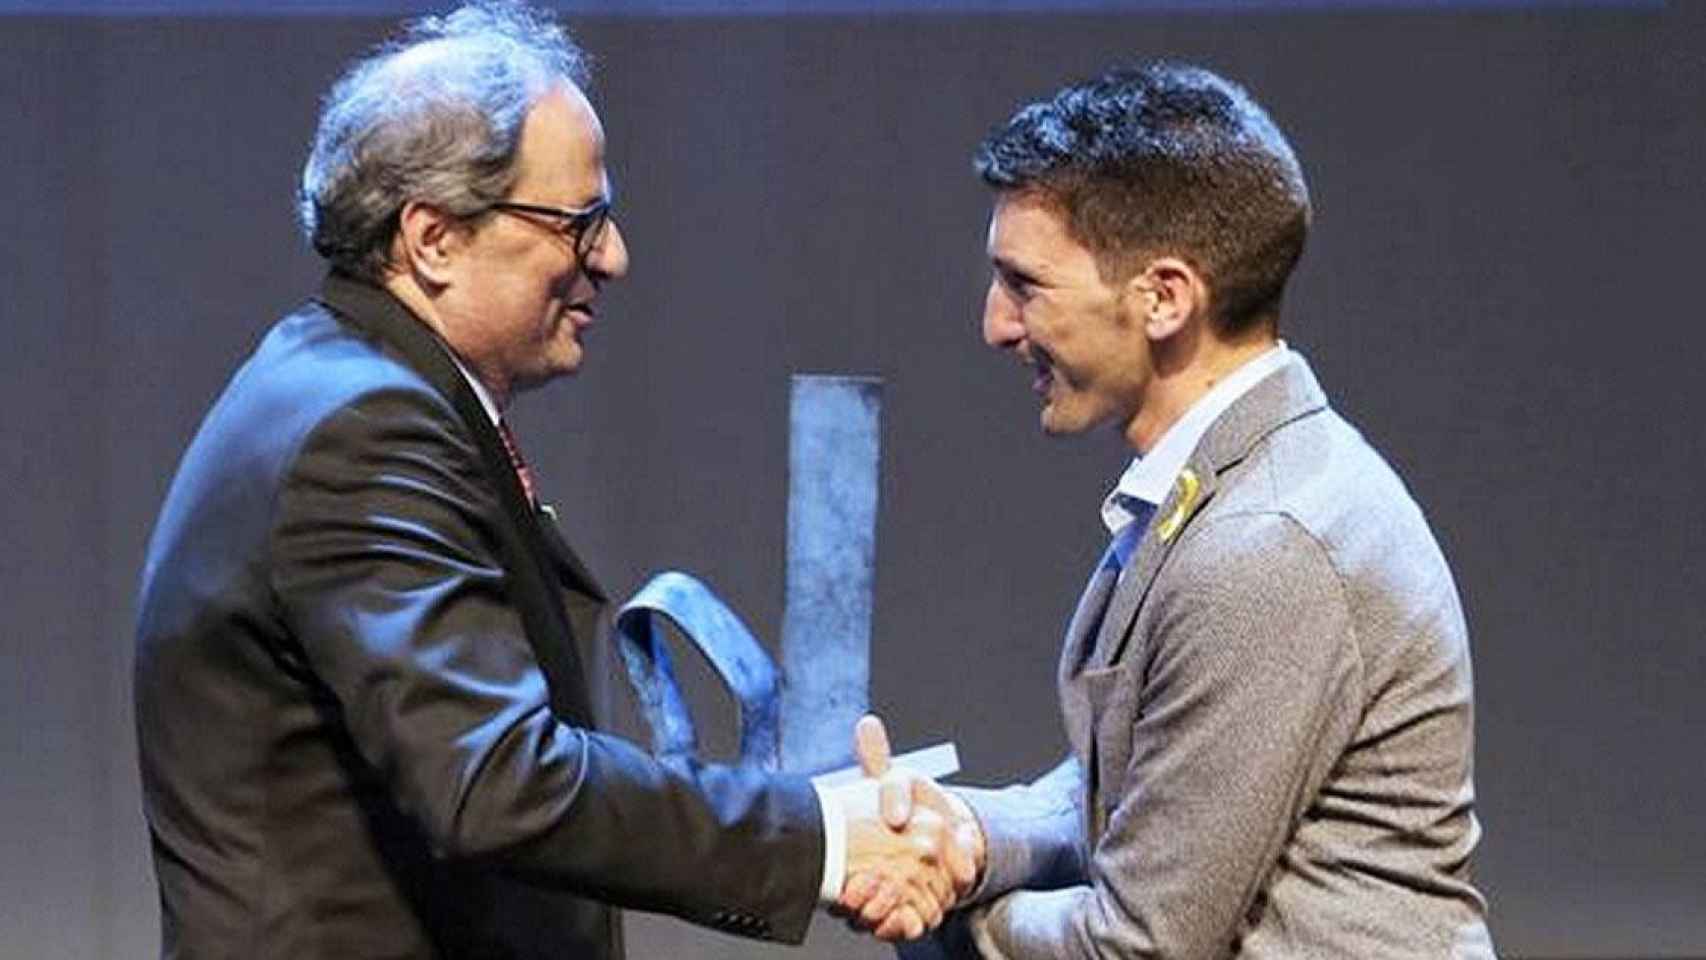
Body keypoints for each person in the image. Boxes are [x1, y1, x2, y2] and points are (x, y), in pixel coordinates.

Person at [132, 4, 968, 958]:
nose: (612, 257)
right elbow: (498, 784)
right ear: (433, 239)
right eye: (578, 222)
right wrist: (822, 837)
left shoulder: (335, 382)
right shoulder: (366, 432)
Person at [860, 63, 1497, 958]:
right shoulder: (1239, 484)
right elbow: (1142, 782)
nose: (996, 325)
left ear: (1164, 297)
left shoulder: (1266, 545)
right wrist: (967, 835)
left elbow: (1141, 945)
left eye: (1024, 285)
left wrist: (948, 918)